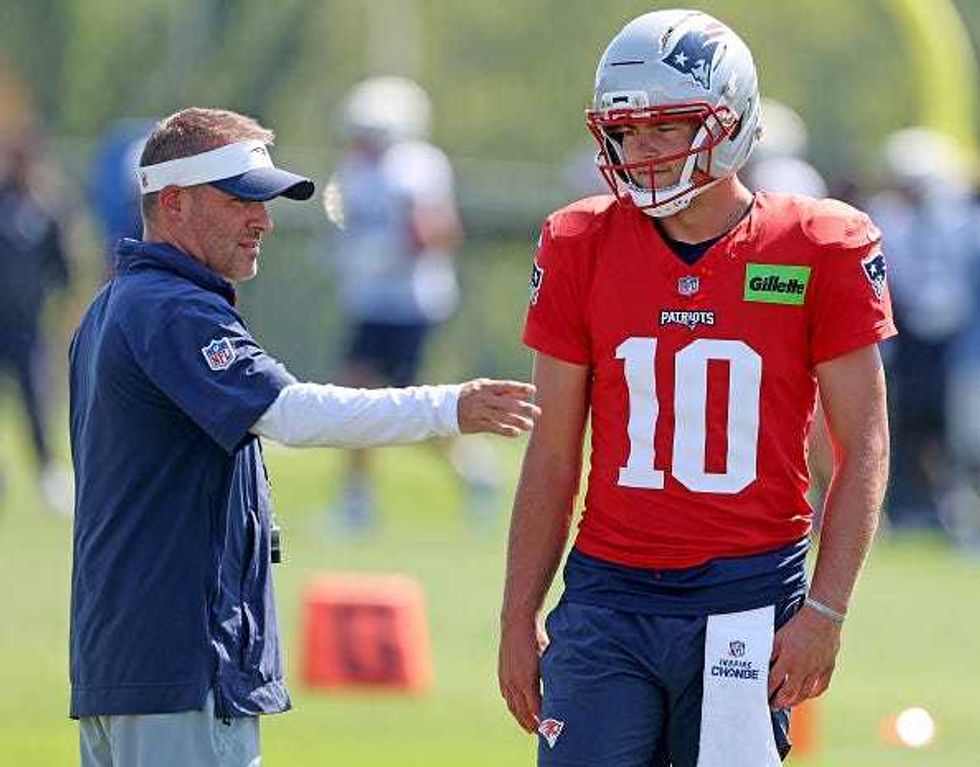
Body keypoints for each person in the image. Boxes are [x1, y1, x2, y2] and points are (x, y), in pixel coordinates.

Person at [69, 107, 539, 767]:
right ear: (173, 202)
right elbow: (292, 413)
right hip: (178, 664)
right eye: (241, 200)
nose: (262, 219)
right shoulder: (173, 307)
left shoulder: (118, 302)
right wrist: (448, 405)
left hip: (124, 663)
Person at [497, 10, 894, 767]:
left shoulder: (819, 245)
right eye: (627, 132)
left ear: (733, 120)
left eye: (666, 129)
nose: (640, 152)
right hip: (609, 593)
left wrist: (827, 608)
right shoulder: (578, 242)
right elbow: (553, 451)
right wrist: (518, 614)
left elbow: (863, 445)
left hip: (747, 591)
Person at [322, 76, 496, 530]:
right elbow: (340, 219)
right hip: (369, 300)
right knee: (357, 395)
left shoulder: (416, 167)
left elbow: (441, 231)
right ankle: (359, 498)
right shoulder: (354, 171)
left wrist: (398, 247)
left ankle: (472, 468)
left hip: (410, 303)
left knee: (398, 403)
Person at [0, 133, 71, 512]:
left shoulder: (47, 210)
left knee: (36, 402)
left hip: (29, 327)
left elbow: (61, 268)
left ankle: (47, 473)